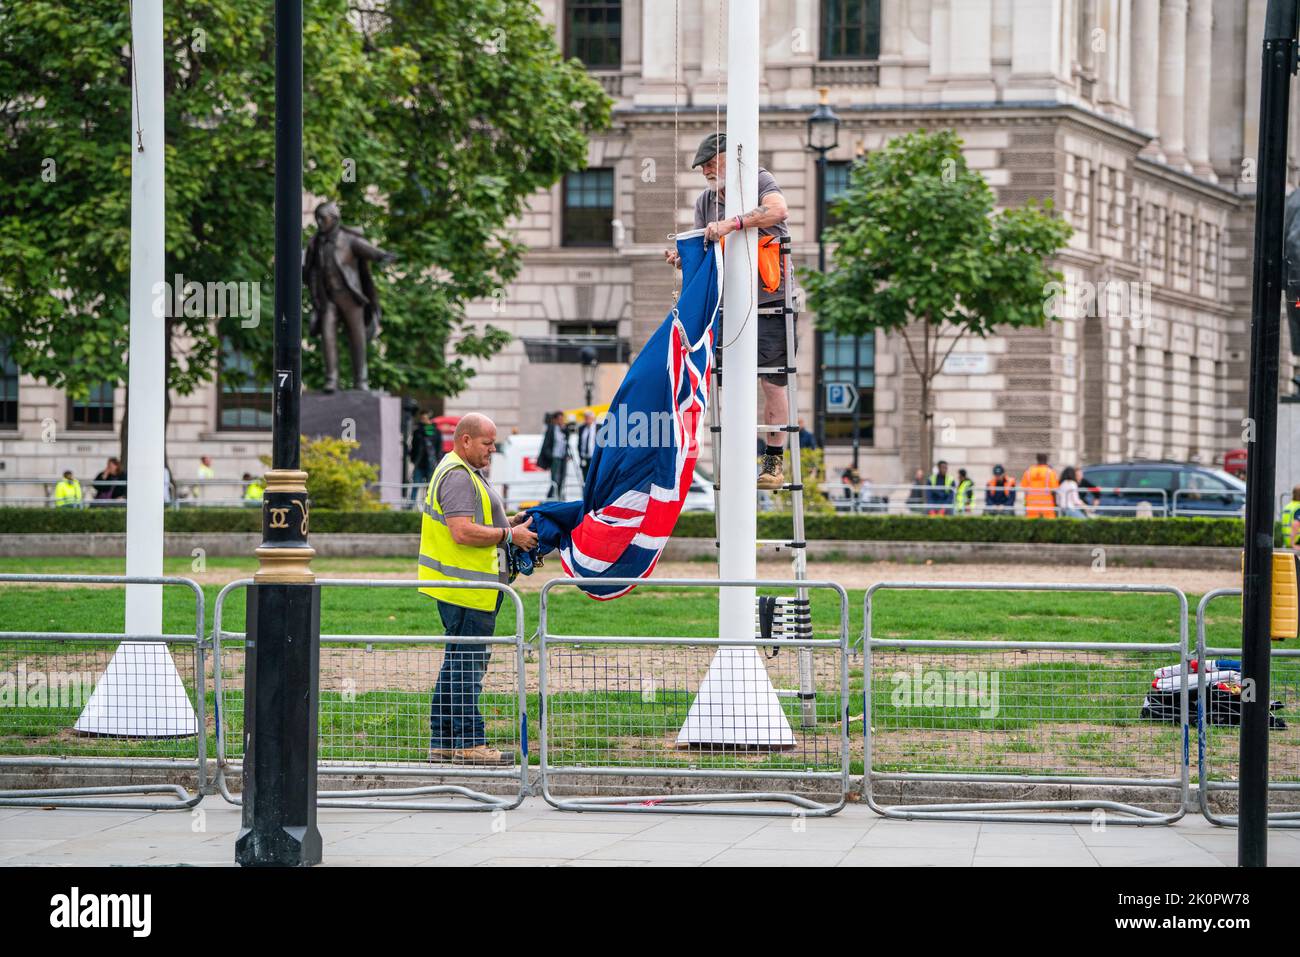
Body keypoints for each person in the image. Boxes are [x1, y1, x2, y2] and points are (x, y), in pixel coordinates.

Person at [666, 132, 793, 491]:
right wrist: (680, 260)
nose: (706, 170)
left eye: (711, 162)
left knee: (772, 381)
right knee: (723, 380)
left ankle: (773, 460)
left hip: (771, 301)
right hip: (727, 303)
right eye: (702, 166)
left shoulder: (759, 180)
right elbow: (702, 251)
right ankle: (730, 454)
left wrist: (733, 223)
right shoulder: (706, 201)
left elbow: (778, 210)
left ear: (727, 157)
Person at [418, 412, 537, 765]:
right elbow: (462, 531)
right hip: (468, 589)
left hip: (464, 588)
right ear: (465, 440)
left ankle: (443, 740)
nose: (492, 450)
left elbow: (475, 522)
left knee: (456, 664)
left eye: (494, 443)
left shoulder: (461, 470)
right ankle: (470, 743)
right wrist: (508, 535)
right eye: (487, 443)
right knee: (468, 668)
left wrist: (509, 521)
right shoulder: (458, 476)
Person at [408, 411, 442, 503]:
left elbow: (439, 448)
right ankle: (411, 506)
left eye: (425, 418)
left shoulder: (436, 432)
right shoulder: (417, 432)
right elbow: (413, 446)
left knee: (431, 488)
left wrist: (438, 461)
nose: (423, 421)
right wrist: (413, 459)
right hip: (419, 463)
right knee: (415, 485)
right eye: (422, 419)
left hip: (431, 463)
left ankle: (429, 507)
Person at [535, 411, 570, 499]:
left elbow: (567, 442)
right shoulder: (551, 429)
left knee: (562, 478)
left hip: (563, 457)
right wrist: (551, 456)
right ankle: (551, 496)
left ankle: (559, 495)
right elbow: (546, 444)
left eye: (562, 419)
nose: (561, 421)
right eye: (559, 419)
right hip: (555, 458)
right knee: (555, 479)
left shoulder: (564, 429)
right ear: (555, 420)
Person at [1021, 453, 1060, 519]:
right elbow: (1054, 490)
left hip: (1031, 505)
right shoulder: (1050, 472)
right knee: (1048, 526)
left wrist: (1025, 504)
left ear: (1037, 459)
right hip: (1047, 506)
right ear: (1046, 460)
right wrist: (1055, 505)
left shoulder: (1028, 472)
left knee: (1030, 525)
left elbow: (1025, 489)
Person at [577, 410, 598, 482]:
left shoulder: (599, 427)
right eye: (585, 418)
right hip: (584, 457)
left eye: (588, 418)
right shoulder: (581, 428)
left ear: (593, 418)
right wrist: (580, 456)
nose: (586, 419)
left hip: (594, 457)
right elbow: (579, 443)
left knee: (594, 477)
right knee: (585, 478)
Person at [1283, 484, 1300, 550]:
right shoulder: (1298, 507)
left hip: (1287, 540)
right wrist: (1293, 544)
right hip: (1296, 541)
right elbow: (1295, 525)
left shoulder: (1288, 506)